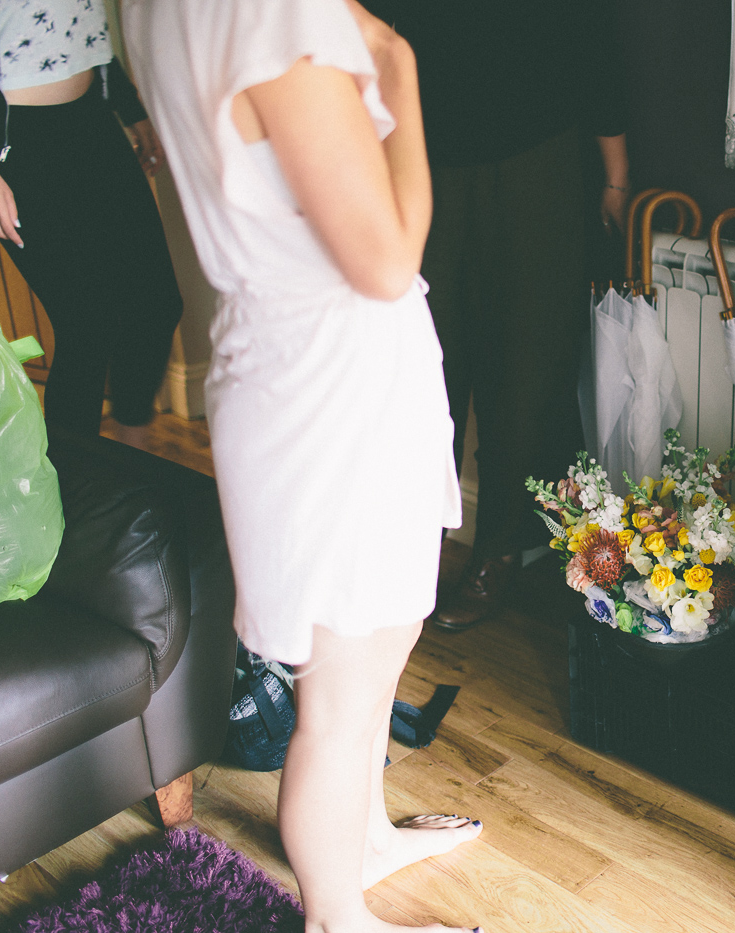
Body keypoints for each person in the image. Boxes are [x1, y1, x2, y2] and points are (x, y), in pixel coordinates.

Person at [122, 1, 483, 930]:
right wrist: (398, 69)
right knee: (341, 685)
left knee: (375, 643)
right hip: (332, 383)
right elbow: (387, 259)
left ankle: (362, 840)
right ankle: (335, 913)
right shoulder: (269, 12)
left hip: (298, 364)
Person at [360, 0, 630, 632]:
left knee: (525, 361)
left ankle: (499, 549)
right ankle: (412, 553)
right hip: (426, 153)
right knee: (426, 362)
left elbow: (595, 45)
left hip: (540, 156)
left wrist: (616, 175)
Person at [0, 0, 183, 445]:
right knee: (87, 324)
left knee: (156, 304)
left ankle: (129, 459)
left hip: (92, 121)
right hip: (15, 142)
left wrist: (128, 106)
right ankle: (77, 491)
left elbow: (79, 25)